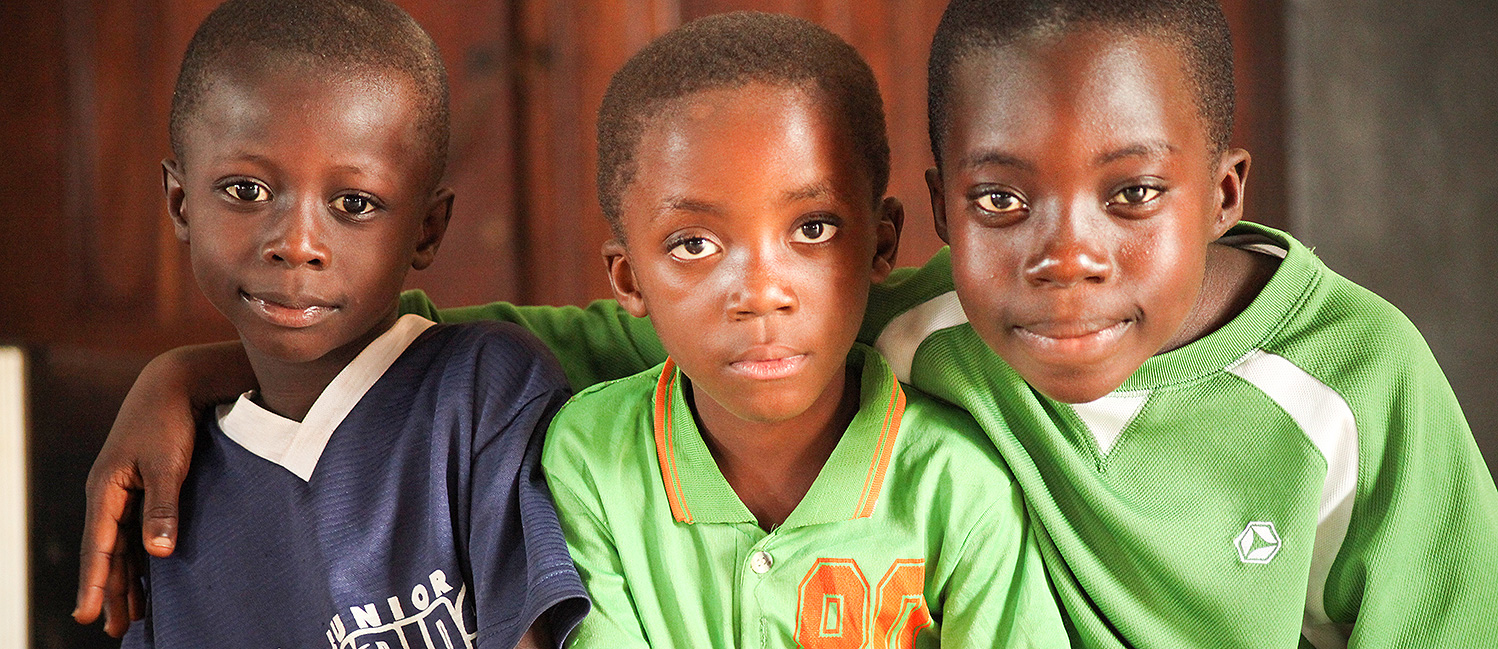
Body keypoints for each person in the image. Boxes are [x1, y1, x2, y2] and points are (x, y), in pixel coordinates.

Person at [80, 0, 1498, 647]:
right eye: (1004, 202)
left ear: (1223, 189)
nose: (1066, 258)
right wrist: (203, 365)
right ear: (939, 212)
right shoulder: (898, 323)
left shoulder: (1349, 378)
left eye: (1132, 195)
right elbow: (501, 339)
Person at [540, 13, 1064, 647]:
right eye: (694, 243)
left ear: (883, 241)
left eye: (813, 228)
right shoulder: (590, 456)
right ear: (628, 280)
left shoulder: (956, 485)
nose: (761, 294)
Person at [82, 1, 590, 646]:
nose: (297, 243)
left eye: (355, 203)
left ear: (427, 229)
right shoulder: (170, 483)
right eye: (245, 191)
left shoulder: (484, 392)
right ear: (181, 204)